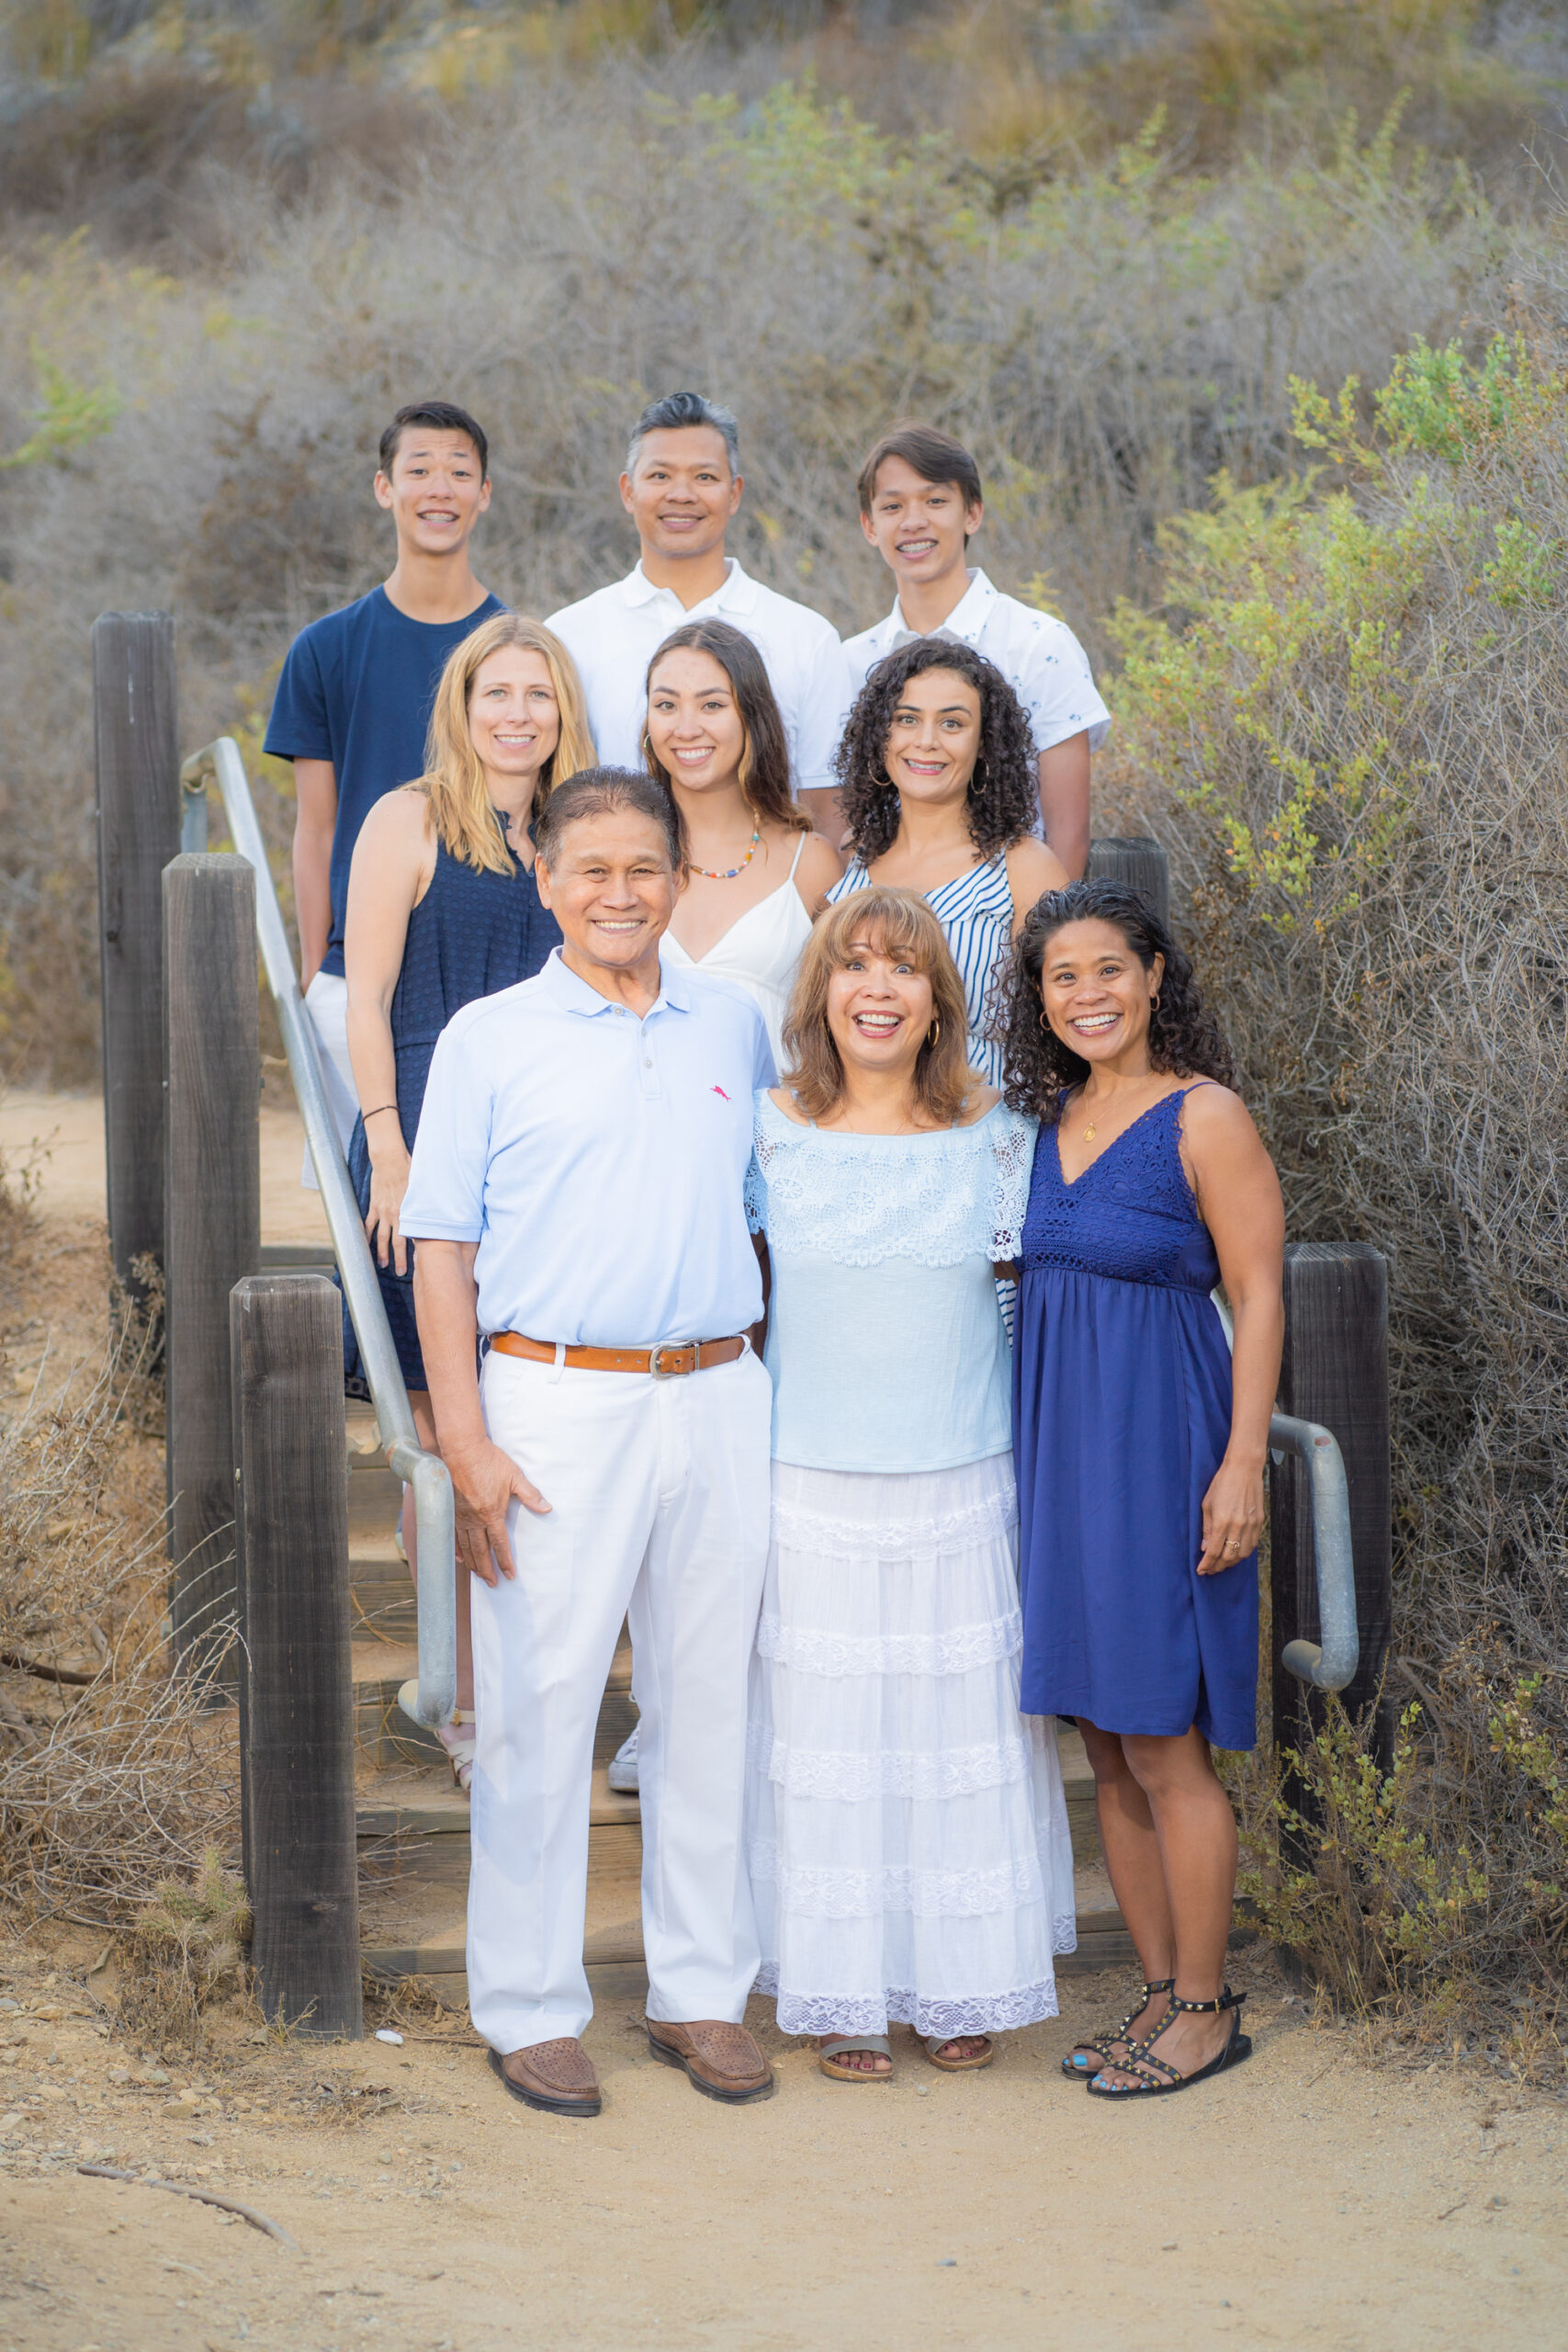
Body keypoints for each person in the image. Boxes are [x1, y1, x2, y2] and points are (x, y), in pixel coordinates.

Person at [400, 768, 778, 2119]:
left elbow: (773, 1203)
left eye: (644, 869)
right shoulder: (486, 1039)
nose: (619, 894)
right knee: (541, 1708)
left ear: (678, 878)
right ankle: (530, 2006)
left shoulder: (731, 1024)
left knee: (707, 1703)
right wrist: (465, 1442)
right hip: (553, 1404)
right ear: (545, 880)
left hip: (722, 1394)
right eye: (592, 871)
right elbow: (439, 1251)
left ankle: (695, 1992)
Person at [745, 888, 1076, 2081]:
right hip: (807, 1479)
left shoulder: (996, 1131)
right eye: (853, 967)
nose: (875, 989)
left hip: (957, 1475)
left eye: (902, 969)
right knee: (828, 1745)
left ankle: (954, 1986)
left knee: (954, 1746)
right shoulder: (767, 1129)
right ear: (819, 992)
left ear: (938, 998)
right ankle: (840, 1996)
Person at [998, 878, 1284, 2100]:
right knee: (1105, 1747)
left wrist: (1238, 1464)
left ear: (1153, 975)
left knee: (1163, 1744)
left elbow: (1259, 1293)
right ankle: (1161, 1995)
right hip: (1063, 1453)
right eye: (1061, 977)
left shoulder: (1200, 1116)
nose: (1085, 994)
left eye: (1106, 969)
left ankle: (1208, 2008)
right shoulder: (1049, 1116)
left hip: (1161, 1446)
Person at [342, 614, 591, 1786]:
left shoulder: (581, 829)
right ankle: (461, 1696)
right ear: (463, 701)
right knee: (445, 1434)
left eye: (539, 694)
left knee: (532, 1420)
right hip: (428, 1149)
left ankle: (543, 1671)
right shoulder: (408, 817)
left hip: (547, 1168)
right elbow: (365, 996)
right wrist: (389, 1149)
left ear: (562, 708)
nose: (518, 714)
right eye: (498, 692)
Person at [265, 400, 504, 1159]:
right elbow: (317, 826)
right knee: (364, 1204)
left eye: (459, 473)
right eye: (419, 470)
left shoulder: (518, 654)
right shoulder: (326, 649)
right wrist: (314, 975)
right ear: (383, 488)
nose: (440, 489)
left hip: (490, 972)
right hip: (355, 976)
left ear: (484, 494)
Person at [548, 391, 852, 832]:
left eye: (705, 476)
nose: (681, 494)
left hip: (768, 892)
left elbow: (827, 814)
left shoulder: (806, 636)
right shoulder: (569, 634)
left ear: (734, 493)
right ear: (628, 491)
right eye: (660, 475)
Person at [845, 421, 1110, 877]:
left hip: (1010, 918)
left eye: (935, 501)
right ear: (870, 525)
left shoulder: (1038, 644)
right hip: (884, 924)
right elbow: (848, 817)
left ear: (972, 513)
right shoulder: (850, 661)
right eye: (893, 506)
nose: (913, 521)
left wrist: (1039, 940)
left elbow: (1068, 831)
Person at [828, 639, 1069, 1083]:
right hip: (859, 1124)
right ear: (880, 735)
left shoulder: (1023, 868)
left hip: (983, 1123)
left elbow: (1058, 1035)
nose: (926, 742)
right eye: (907, 719)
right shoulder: (851, 856)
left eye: (952, 724)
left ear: (984, 745)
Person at [646, 619, 842, 1061]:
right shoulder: (626, 853)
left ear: (751, 717)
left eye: (712, 705)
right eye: (666, 705)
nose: (686, 727)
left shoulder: (810, 863)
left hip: (772, 1119)